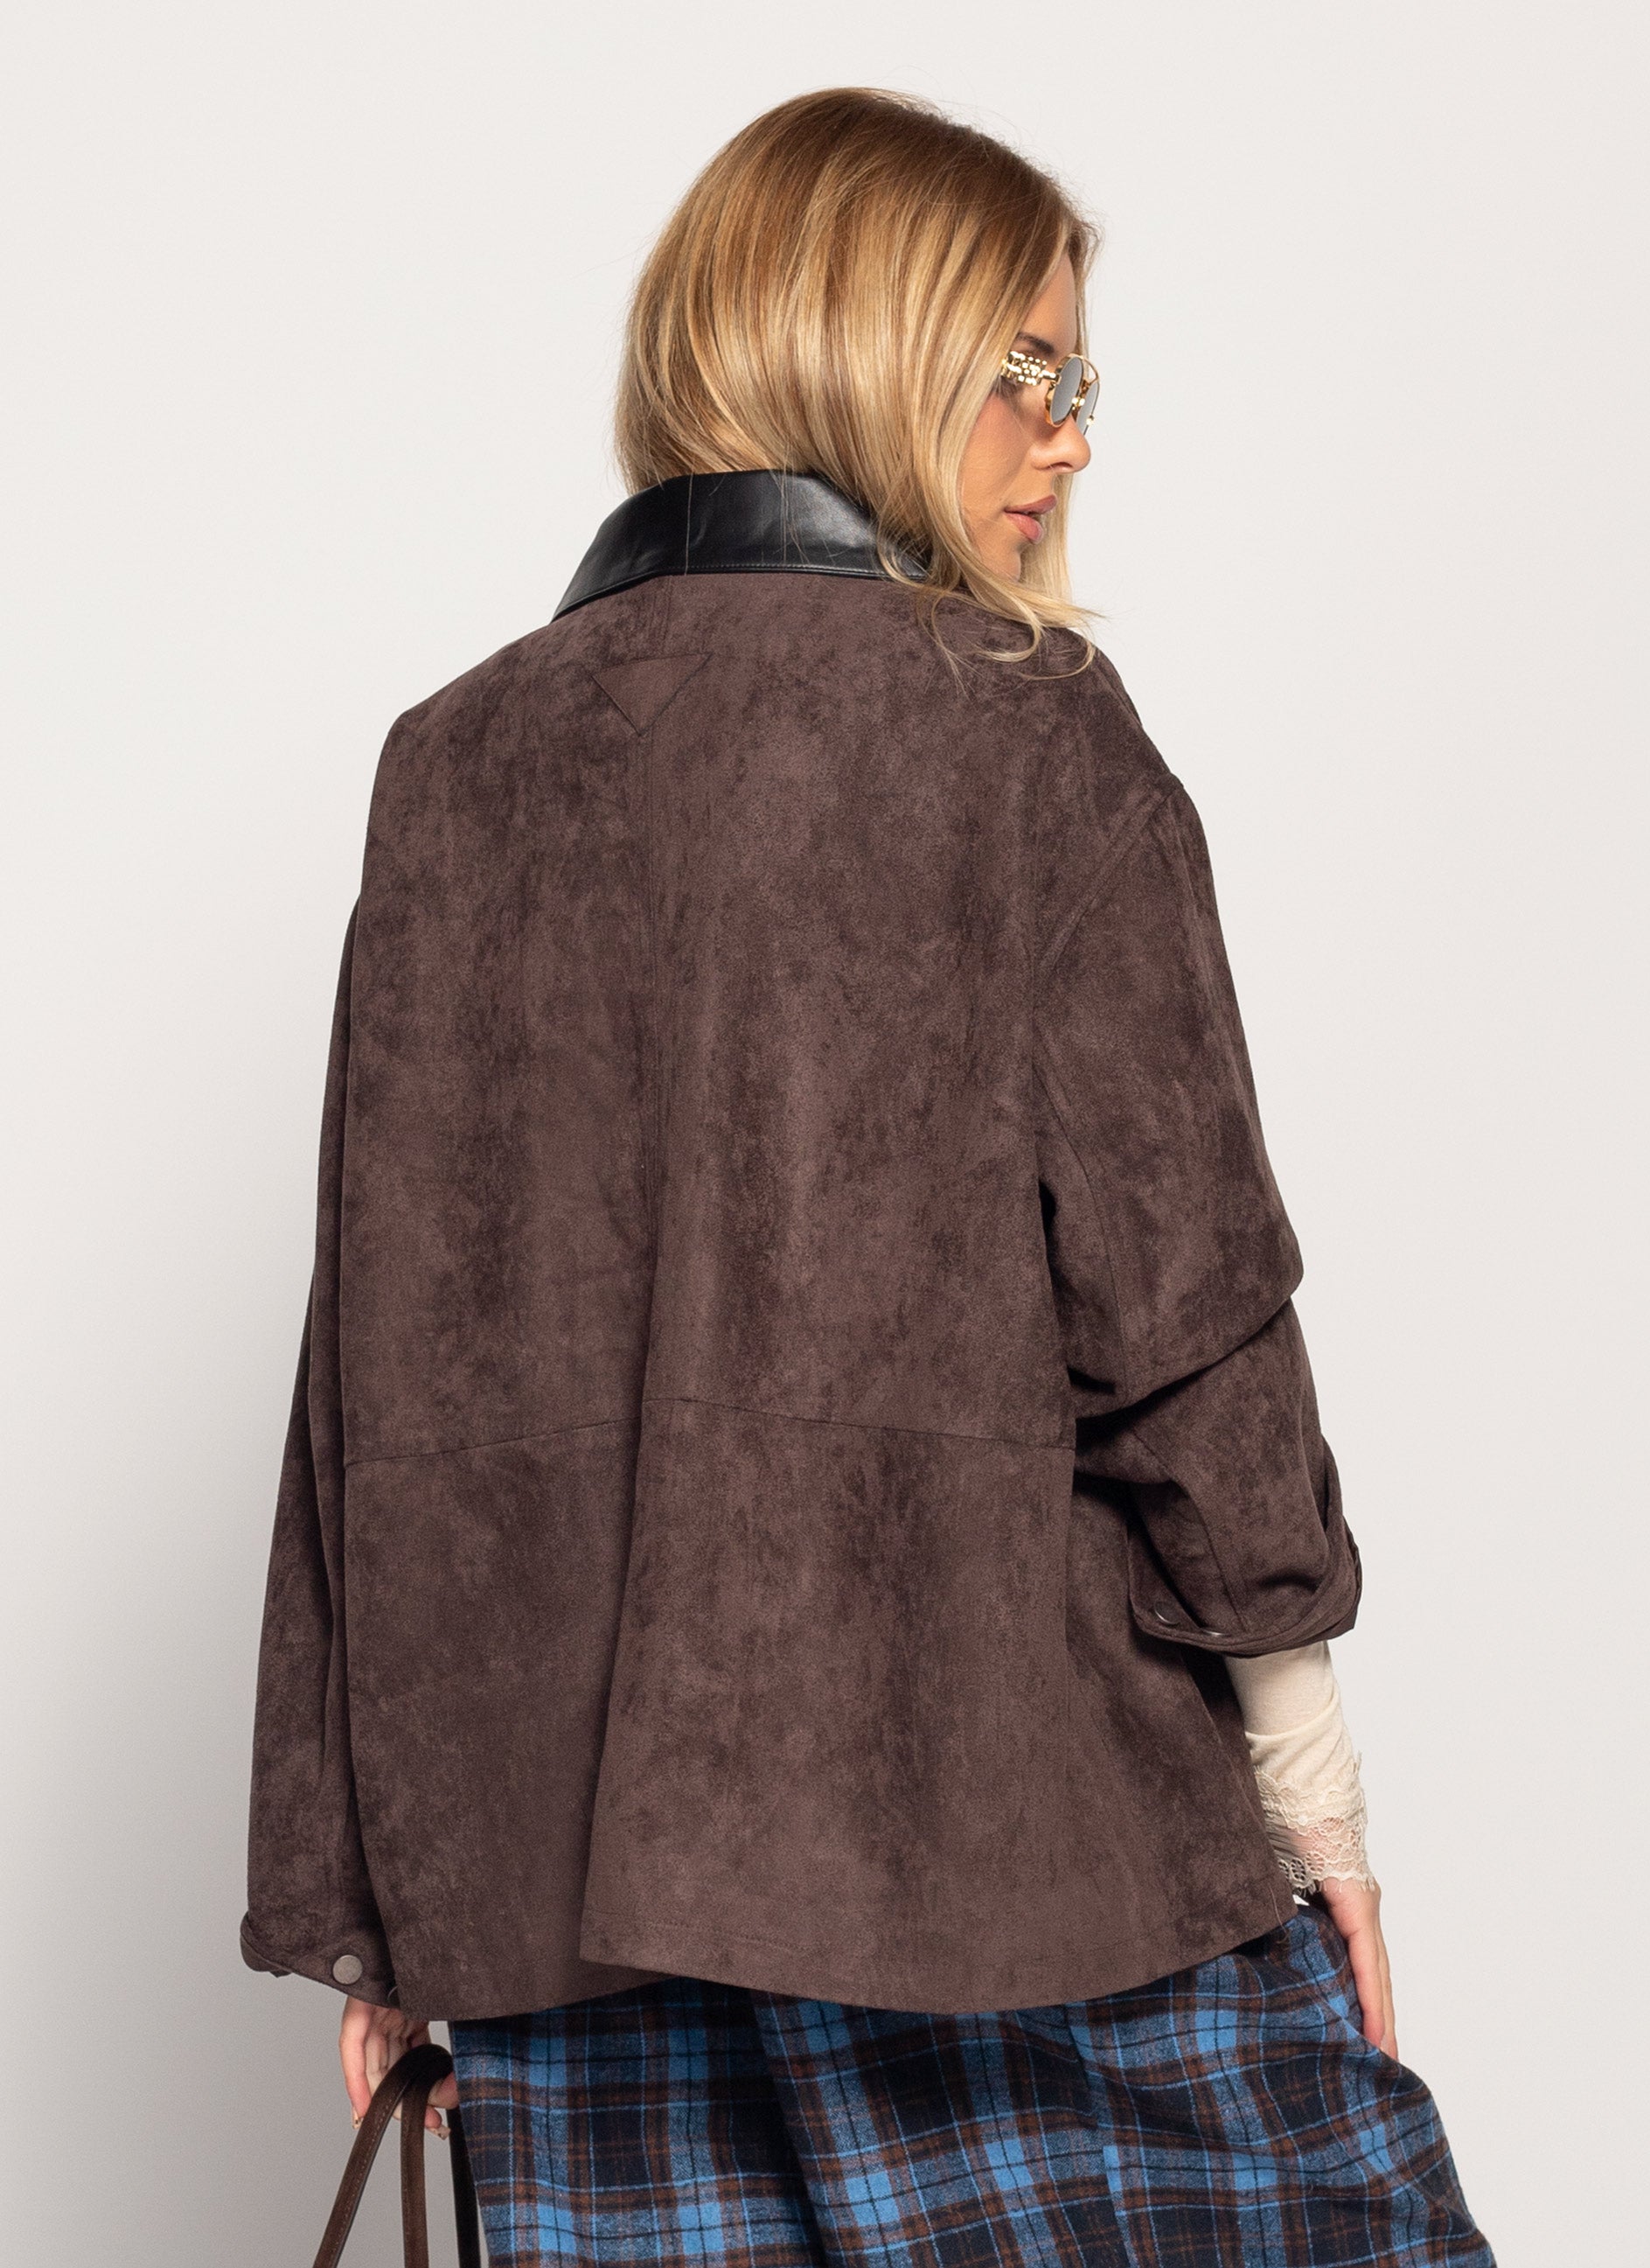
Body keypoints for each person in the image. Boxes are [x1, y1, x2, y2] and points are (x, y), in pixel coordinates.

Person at [243, 86, 1493, 2266]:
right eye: (1032, 372)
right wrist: (1317, 1795)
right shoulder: (1022, 729)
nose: (1070, 441)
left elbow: (376, 1380)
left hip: (569, 1930)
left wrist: (376, 1898)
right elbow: (1188, 1322)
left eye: (1083, 384)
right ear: (865, 346)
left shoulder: (449, 767)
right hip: (1009, 1884)